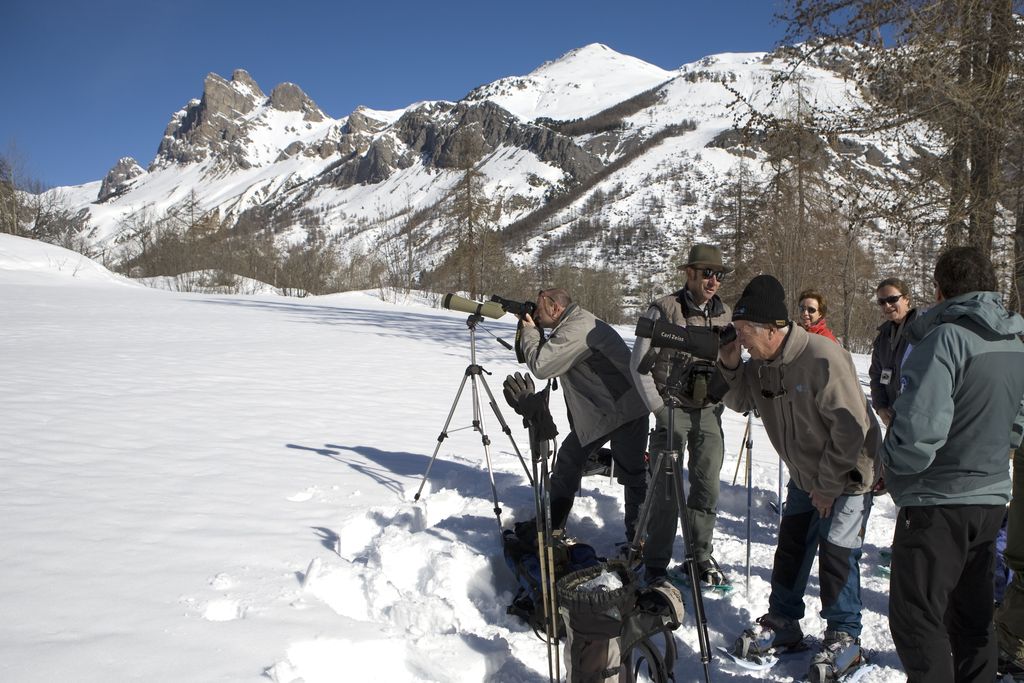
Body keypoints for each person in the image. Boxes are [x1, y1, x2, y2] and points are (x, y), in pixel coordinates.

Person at [718, 274, 881, 682]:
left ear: (772, 330)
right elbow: (739, 401)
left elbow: (851, 428)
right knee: (792, 546)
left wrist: (827, 485)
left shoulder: (822, 356)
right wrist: (729, 361)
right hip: (804, 475)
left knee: (837, 553)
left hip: (848, 474)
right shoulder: (760, 365)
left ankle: (845, 636)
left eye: (744, 333)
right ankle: (784, 622)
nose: (741, 339)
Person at [881, 246, 1024, 683]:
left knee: (916, 619)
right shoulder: (1013, 341)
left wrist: (885, 464)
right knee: (972, 619)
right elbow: (1017, 423)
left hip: (937, 502)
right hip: (990, 498)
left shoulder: (943, 340)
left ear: (940, 291)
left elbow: (918, 437)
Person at [629, 244, 732, 585]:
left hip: (708, 413)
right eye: (707, 273)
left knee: (707, 488)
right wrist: (657, 408)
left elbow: (732, 364)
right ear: (690, 274)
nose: (713, 280)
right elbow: (638, 364)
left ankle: (699, 556)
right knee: (666, 490)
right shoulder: (663, 310)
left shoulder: (725, 315)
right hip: (670, 409)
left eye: (718, 274)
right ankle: (657, 562)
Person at [517, 288, 649, 543]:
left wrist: (530, 332)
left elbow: (542, 366)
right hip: (618, 408)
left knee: (620, 472)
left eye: (539, 308)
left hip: (618, 411)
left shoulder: (577, 328)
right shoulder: (576, 323)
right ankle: (636, 539)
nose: (536, 313)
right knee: (626, 472)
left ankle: (636, 540)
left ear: (555, 307)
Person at [869, 277, 918, 428]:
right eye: (882, 302)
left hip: (918, 419)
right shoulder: (883, 338)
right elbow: (877, 376)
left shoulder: (923, 330)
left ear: (907, 299)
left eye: (892, 299)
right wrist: (881, 407)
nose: (887, 305)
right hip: (893, 418)